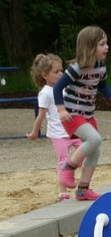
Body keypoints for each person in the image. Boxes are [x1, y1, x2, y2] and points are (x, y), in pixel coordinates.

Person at [52, 26, 111, 201]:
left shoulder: (100, 67)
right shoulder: (76, 68)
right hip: (72, 114)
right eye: (102, 44)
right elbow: (57, 87)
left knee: (95, 150)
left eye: (106, 43)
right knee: (95, 139)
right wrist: (61, 109)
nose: (107, 47)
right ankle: (69, 167)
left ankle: (83, 189)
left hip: (88, 114)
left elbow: (102, 86)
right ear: (90, 47)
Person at [26, 53, 81, 202]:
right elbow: (41, 115)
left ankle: (80, 183)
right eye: (56, 72)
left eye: (61, 70)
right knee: (63, 160)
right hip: (58, 134)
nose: (61, 74)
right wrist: (34, 132)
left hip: (72, 131)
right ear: (45, 75)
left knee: (85, 151)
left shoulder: (64, 87)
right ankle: (63, 192)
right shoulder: (45, 93)